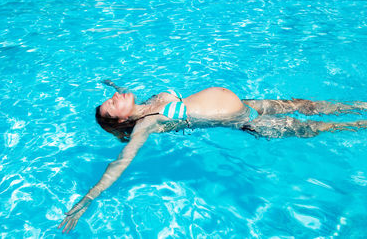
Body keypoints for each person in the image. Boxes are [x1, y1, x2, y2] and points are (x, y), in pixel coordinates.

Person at [58, 80, 367, 233]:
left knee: (305, 103)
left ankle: (360, 106)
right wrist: (87, 200)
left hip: (248, 103)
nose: (114, 98)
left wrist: (112, 85)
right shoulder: (145, 125)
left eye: (110, 97)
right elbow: (121, 163)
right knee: (315, 127)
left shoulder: (149, 102)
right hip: (248, 122)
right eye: (111, 104)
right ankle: (358, 124)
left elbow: (124, 95)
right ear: (122, 121)